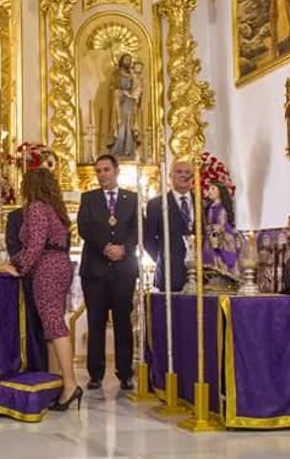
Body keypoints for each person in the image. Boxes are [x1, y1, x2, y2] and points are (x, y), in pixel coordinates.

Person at [0, 169, 81, 410]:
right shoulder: (55, 209)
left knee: (54, 324)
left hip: (48, 268)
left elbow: (35, 245)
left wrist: (14, 266)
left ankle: (70, 384)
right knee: (51, 326)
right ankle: (55, 382)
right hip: (60, 265)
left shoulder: (37, 207)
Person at [77, 155, 139, 391]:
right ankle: (96, 373)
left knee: (123, 320)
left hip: (123, 269)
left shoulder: (131, 199)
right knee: (96, 321)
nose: (102, 174)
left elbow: (136, 227)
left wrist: (124, 248)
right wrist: (106, 247)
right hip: (96, 270)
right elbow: (85, 228)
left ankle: (125, 373)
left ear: (116, 171)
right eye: (98, 171)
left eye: (106, 170)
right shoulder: (89, 198)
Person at [6, 207, 47, 372]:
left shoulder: (52, 213)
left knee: (47, 326)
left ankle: (46, 369)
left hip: (45, 275)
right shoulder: (17, 216)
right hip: (26, 276)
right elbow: (13, 247)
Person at [144, 161, 193, 293]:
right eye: (179, 172)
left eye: (188, 172)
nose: (183, 175)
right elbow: (148, 239)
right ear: (170, 176)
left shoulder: (202, 202)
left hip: (200, 274)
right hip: (170, 274)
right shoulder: (157, 205)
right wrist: (164, 258)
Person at [202, 181, 239, 278]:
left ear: (220, 192)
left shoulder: (222, 208)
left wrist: (218, 228)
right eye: (209, 189)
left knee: (222, 258)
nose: (210, 191)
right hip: (211, 236)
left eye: (213, 189)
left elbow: (222, 223)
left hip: (221, 236)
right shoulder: (209, 207)